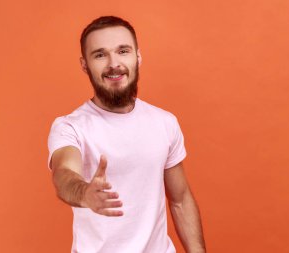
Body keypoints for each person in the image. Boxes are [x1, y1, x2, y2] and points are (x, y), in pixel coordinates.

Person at [47, 16, 206, 253]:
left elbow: (181, 200)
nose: (114, 63)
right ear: (84, 65)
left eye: (123, 51)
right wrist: (84, 193)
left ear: (138, 57)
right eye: (100, 55)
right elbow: (64, 175)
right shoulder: (70, 127)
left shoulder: (164, 122)